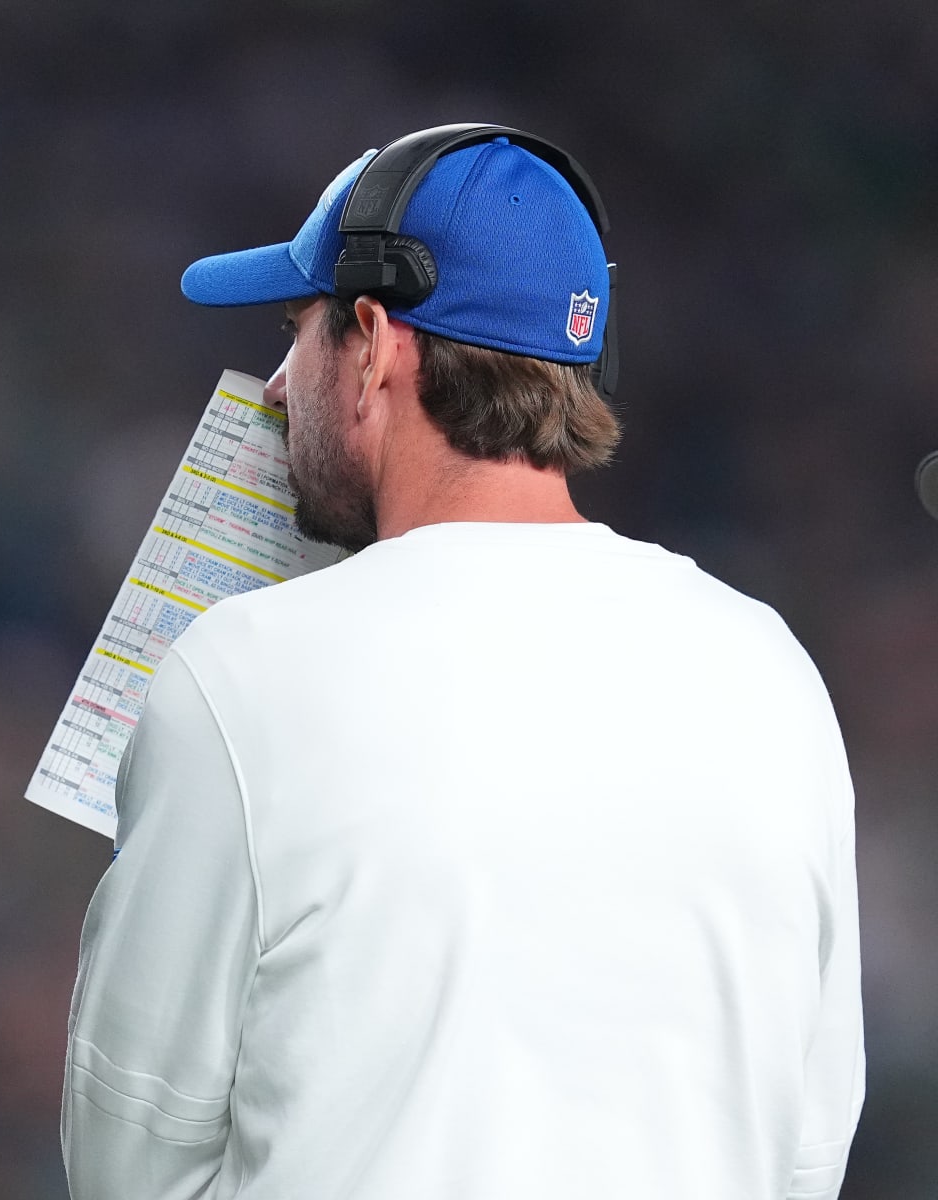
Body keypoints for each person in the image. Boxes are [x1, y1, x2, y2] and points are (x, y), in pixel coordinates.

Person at [63, 126, 863, 1200]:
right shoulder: (774, 671)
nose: (271, 388)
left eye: (295, 332)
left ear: (376, 342)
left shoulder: (243, 671)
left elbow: (128, 1160)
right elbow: (807, 1148)